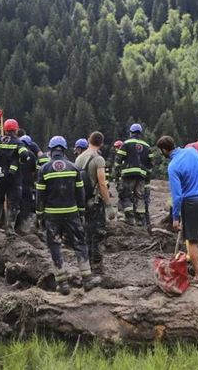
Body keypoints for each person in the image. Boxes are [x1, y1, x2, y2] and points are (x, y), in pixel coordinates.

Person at [36, 135, 98, 294]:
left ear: (51, 150)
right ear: (63, 150)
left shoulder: (44, 169)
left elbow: (40, 195)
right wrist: (82, 210)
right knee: (80, 243)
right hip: (72, 213)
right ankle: (87, 279)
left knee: (55, 246)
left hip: (52, 215)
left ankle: (62, 283)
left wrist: (39, 215)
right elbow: (80, 192)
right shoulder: (73, 168)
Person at [158, 135, 198, 289]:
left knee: (193, 241)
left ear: (164, 150)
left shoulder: (173, 166)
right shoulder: (193, 151)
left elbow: (177, 195)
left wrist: (175, 217)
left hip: (191, 203)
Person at [76, 131, 111, 273]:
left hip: (82, 200)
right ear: (101, 143)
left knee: (86, 232)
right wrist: (108, 204)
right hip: (95, 202)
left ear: (88, 140)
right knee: (98, 233)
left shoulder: (79, 158)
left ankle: (85, 265)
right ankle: (97, 266)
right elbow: (102, 184)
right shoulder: (98, 159)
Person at [0, 118, 31, 235]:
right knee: (13, 202)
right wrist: (21, 160)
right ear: (16, 130)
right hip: (12, 176)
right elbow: (24, 154)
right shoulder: (18, 142)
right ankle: (10, 228)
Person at [115, 123, 151, 226]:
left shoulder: (126, 144)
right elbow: (151, 163)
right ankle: (140, 220)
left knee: (125, 195)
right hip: (141, 176)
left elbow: (118, 161)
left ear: (131, 133)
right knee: (140, 197)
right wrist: (147, 178)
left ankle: (129, 219)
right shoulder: (147, 146)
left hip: (127, 175)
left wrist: (117, 176)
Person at [16, 133, 41, 233]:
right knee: (26, 206)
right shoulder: (30, 155)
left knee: (15, 205)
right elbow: (34, 171)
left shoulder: (14, 153)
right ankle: (24, 226)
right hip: (27, 185)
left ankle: (13, 225)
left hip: (16, 184)